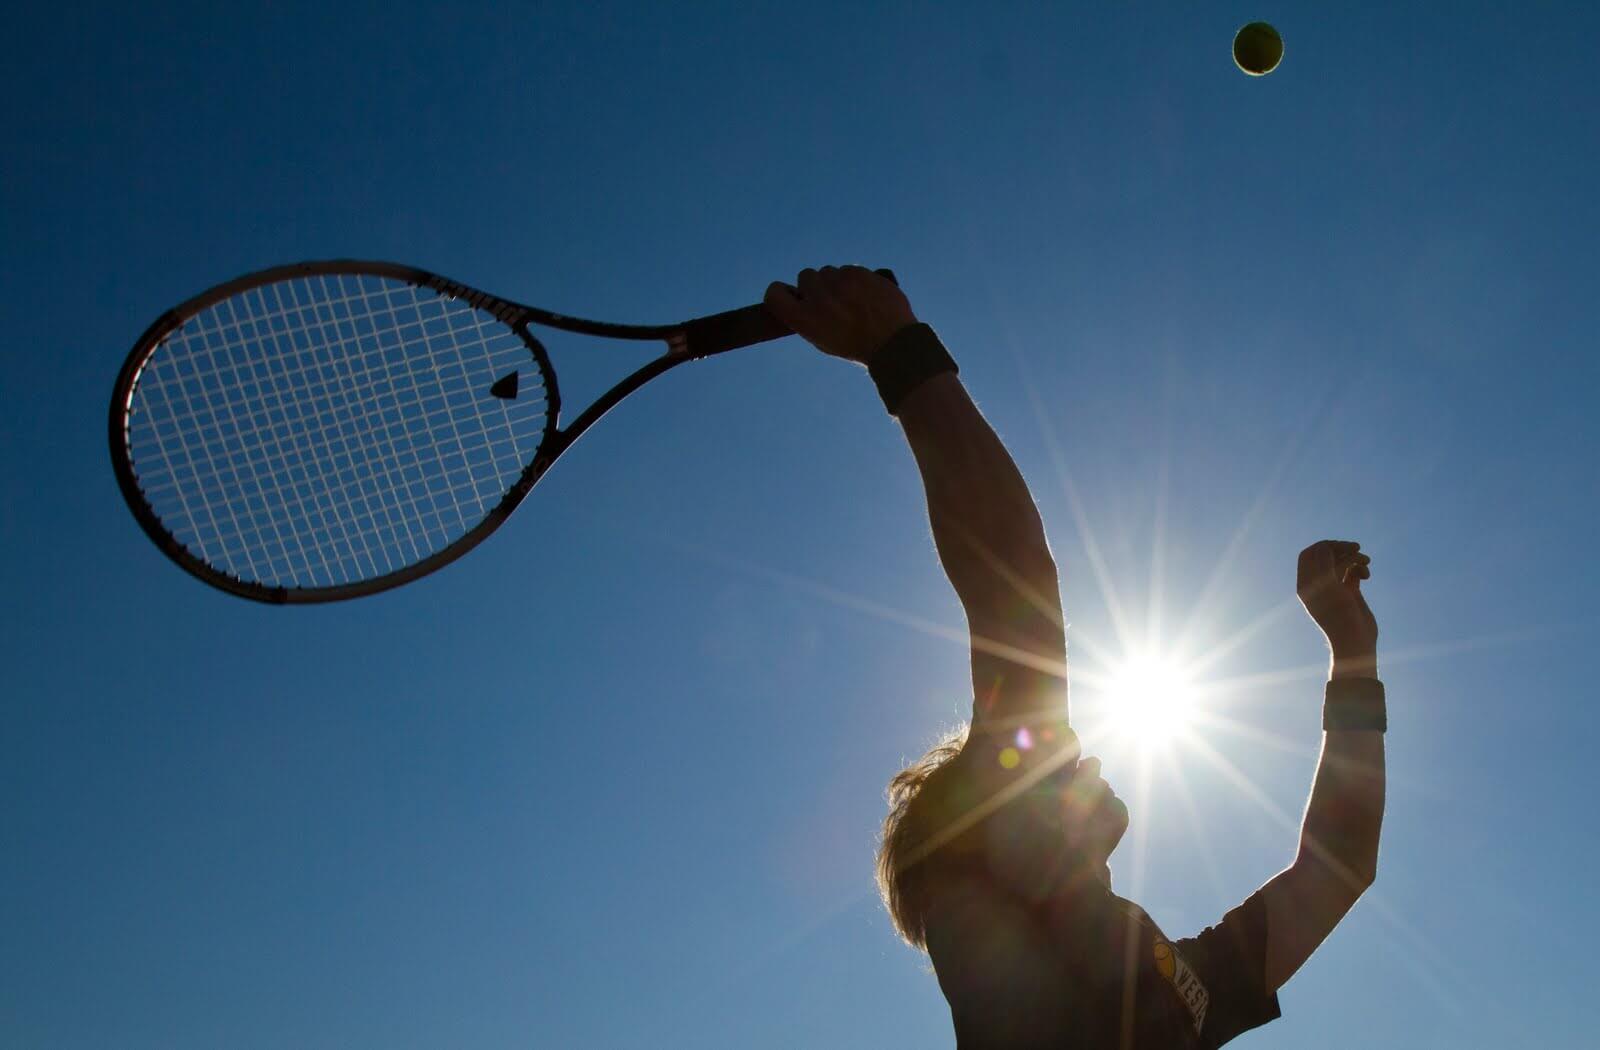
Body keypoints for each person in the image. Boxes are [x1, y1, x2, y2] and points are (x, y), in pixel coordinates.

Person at [764, 266, 1387, 1049]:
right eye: (1035, 770)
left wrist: (1353, 656)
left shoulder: (1166, 980)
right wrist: (898, 351)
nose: (1075, 752)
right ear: (992, 842)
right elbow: (1013, 585)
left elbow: (1339, 868)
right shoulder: (1011, 940)